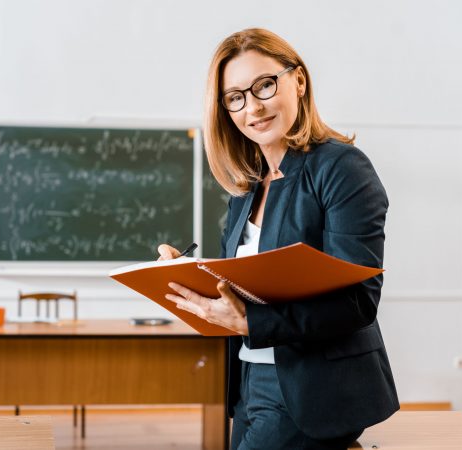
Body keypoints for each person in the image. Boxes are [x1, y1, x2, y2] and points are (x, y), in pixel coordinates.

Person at [158, 28, 399, 450]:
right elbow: (234, 289)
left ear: (299, 82)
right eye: (235, 97)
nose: (252, 106)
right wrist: (185, 279)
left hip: (311, 392)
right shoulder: (247, 190)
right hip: (248, 385)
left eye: (264, 86)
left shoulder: (342, 169)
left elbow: (358, 300)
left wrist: (252, 322)